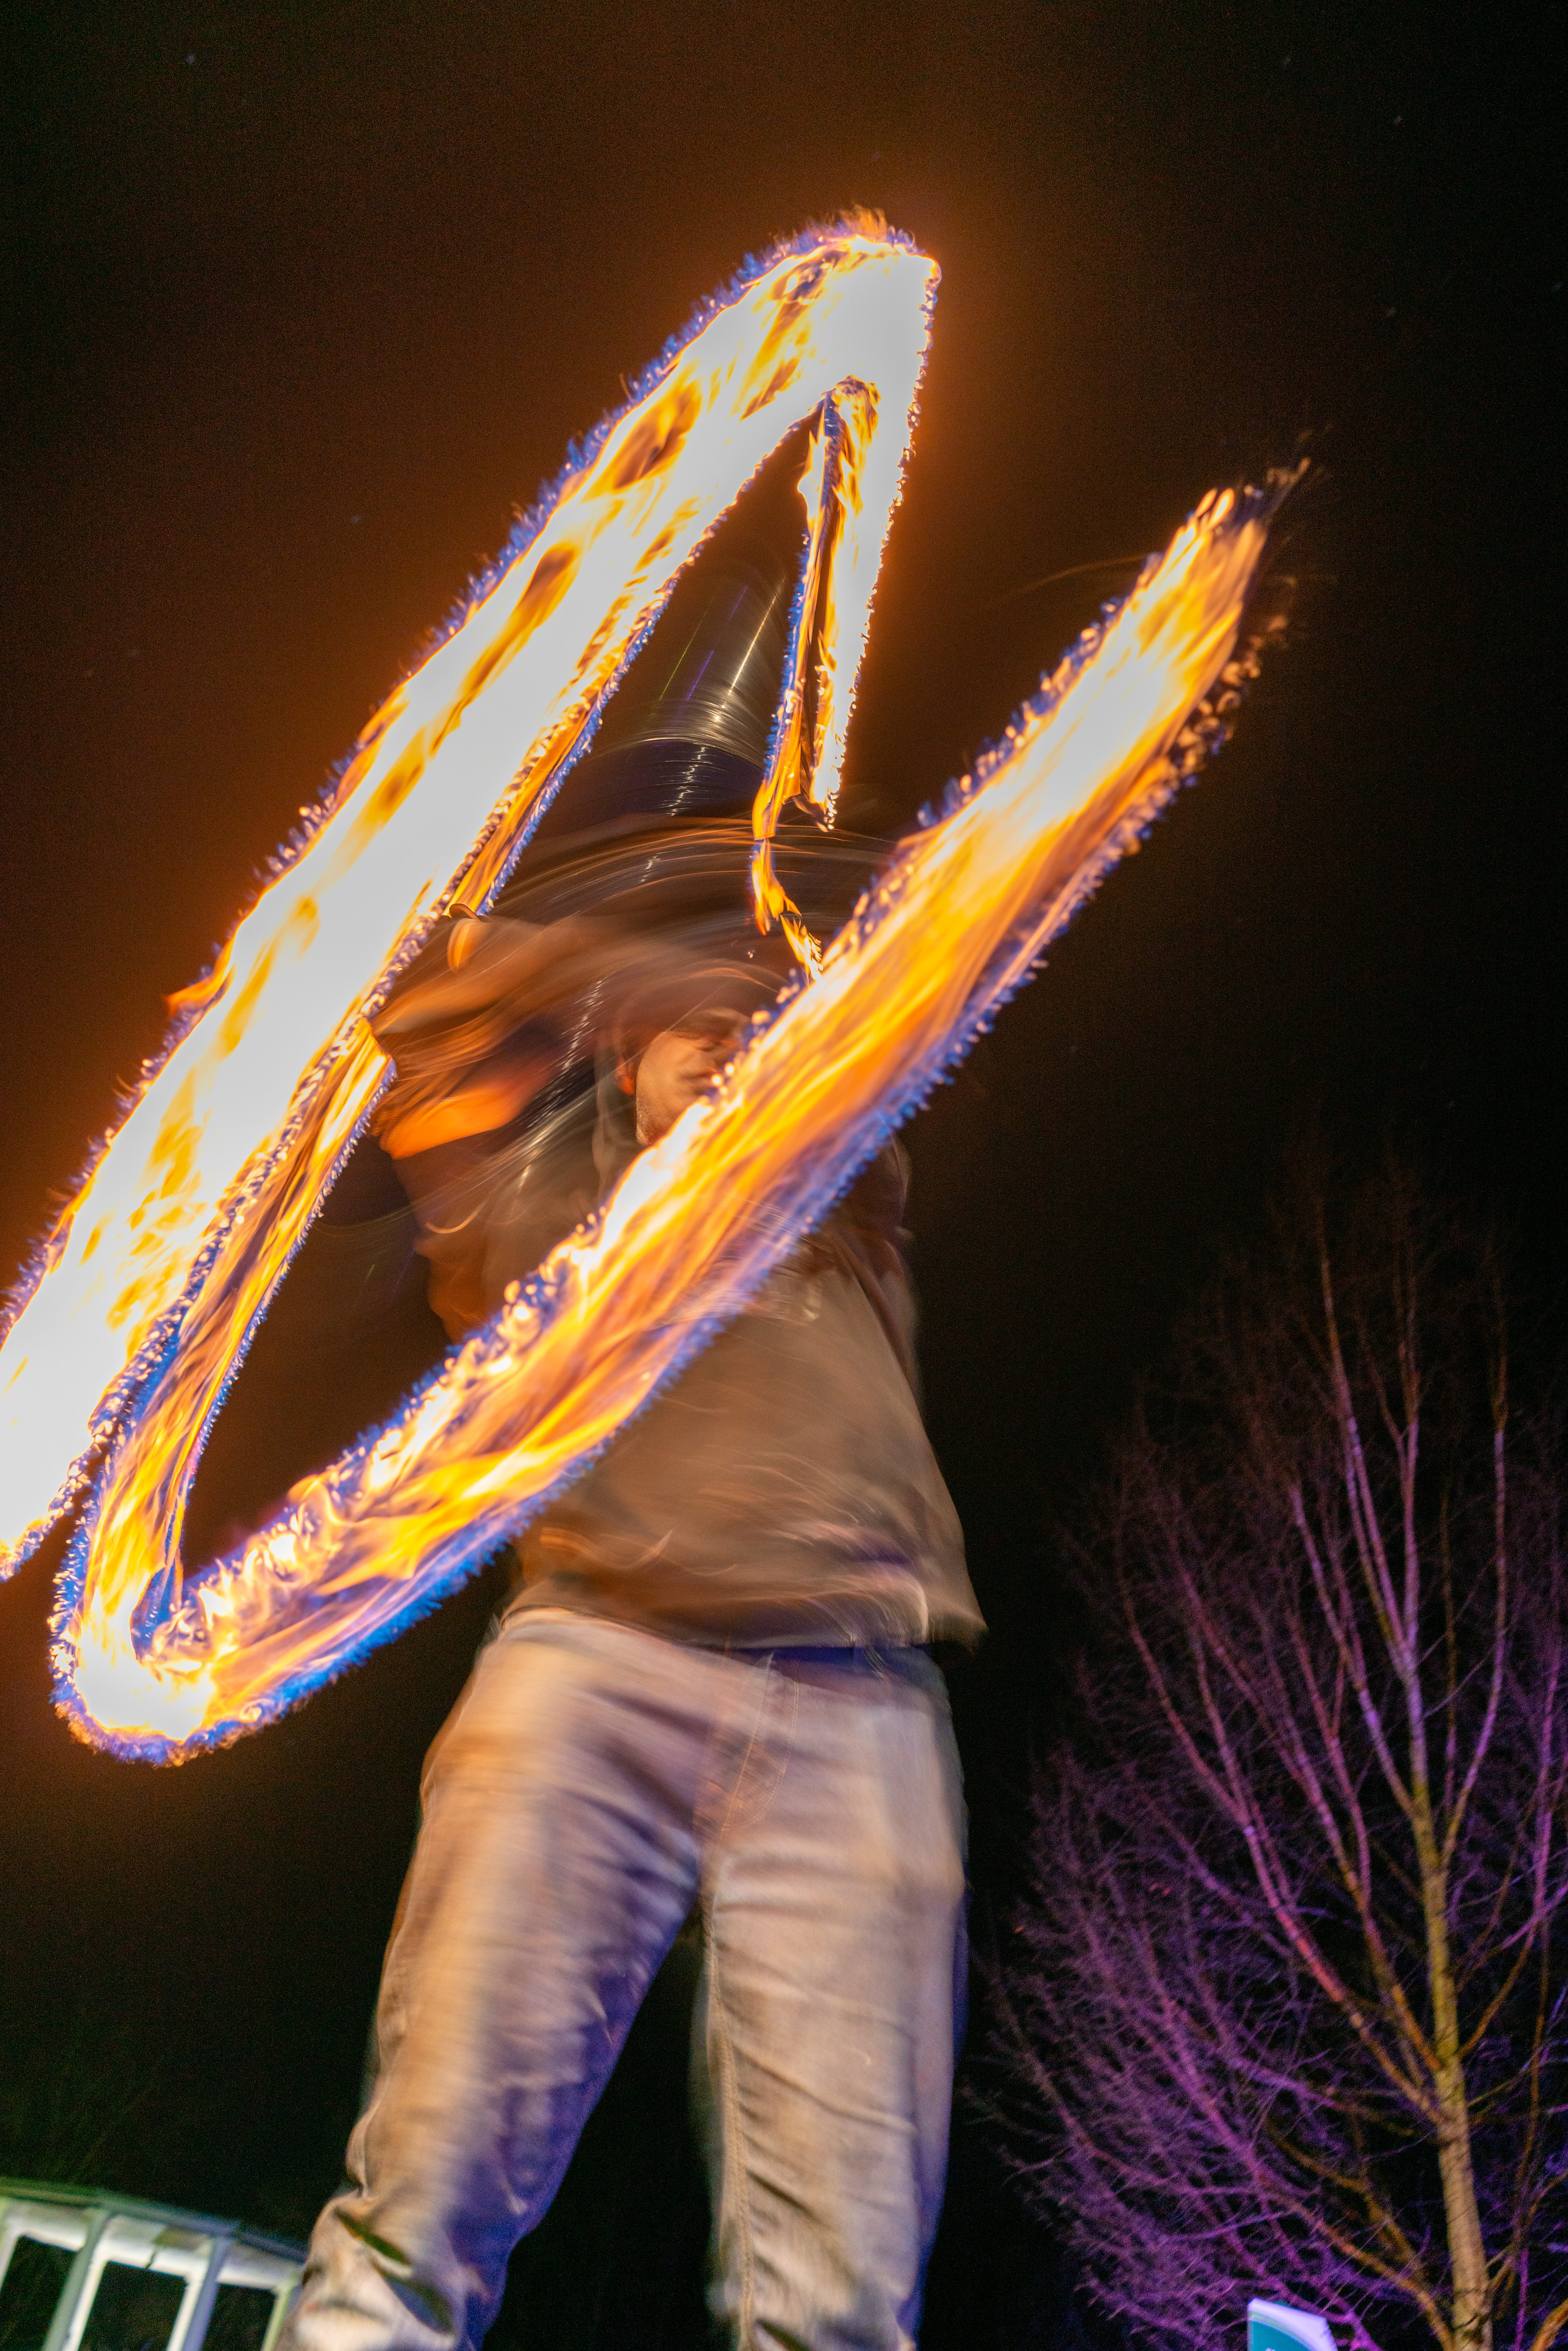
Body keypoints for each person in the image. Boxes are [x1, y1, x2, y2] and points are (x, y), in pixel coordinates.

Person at [280, 541, 984, 2351]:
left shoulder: (847, 1190)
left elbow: (900, 993)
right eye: (690, 1020)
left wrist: (651, 963)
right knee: (417, 2229)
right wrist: (583, 955)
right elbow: (428, 1017)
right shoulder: (531, 1219)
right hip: (592, 1668)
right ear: (623, 1053)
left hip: (858, 1700)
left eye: (748, 1014)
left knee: (842, 2309)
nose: (724, 1038)